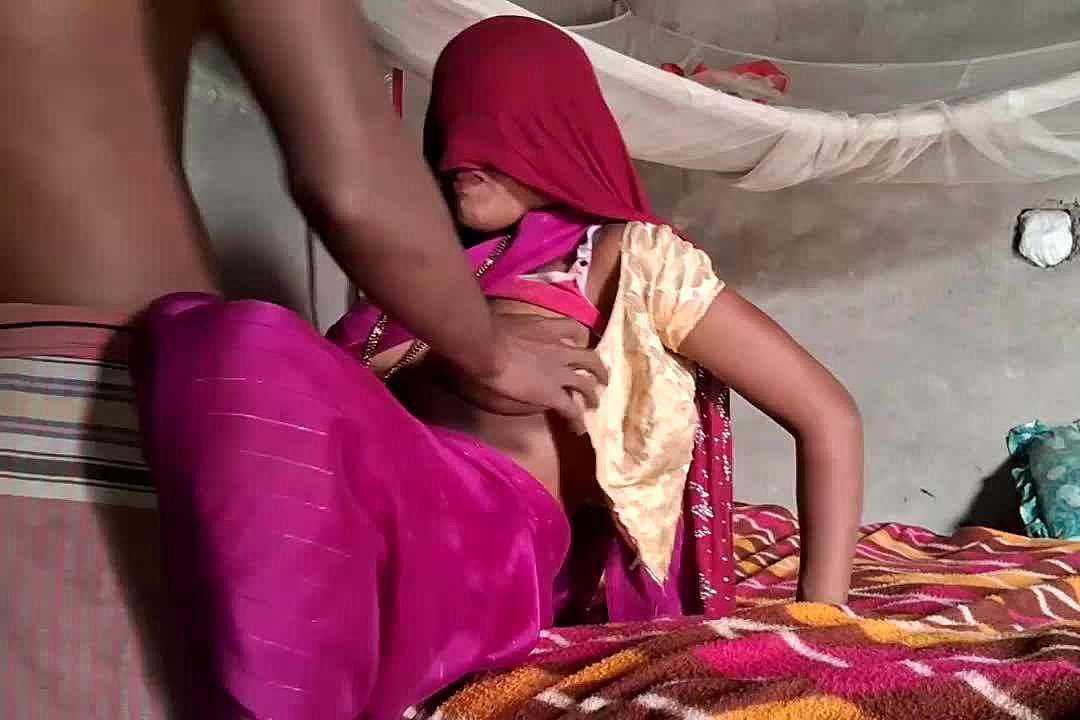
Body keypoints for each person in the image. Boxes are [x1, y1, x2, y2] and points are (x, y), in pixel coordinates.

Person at [131, 15, 865, 720]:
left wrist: (821, 618)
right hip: (362, 496)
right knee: (214, 334)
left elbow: (827, 415)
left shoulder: (620, 258)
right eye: (448, 120)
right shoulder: (415, 284)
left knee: (249, 342)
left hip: (481, 538)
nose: (458, 147)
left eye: (491, 115)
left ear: (551, 126)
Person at [1, 2, 600, 717]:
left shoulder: (620, 255)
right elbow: (354, 184)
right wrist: (495, 356)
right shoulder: (385, 325)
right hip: (93, 394)